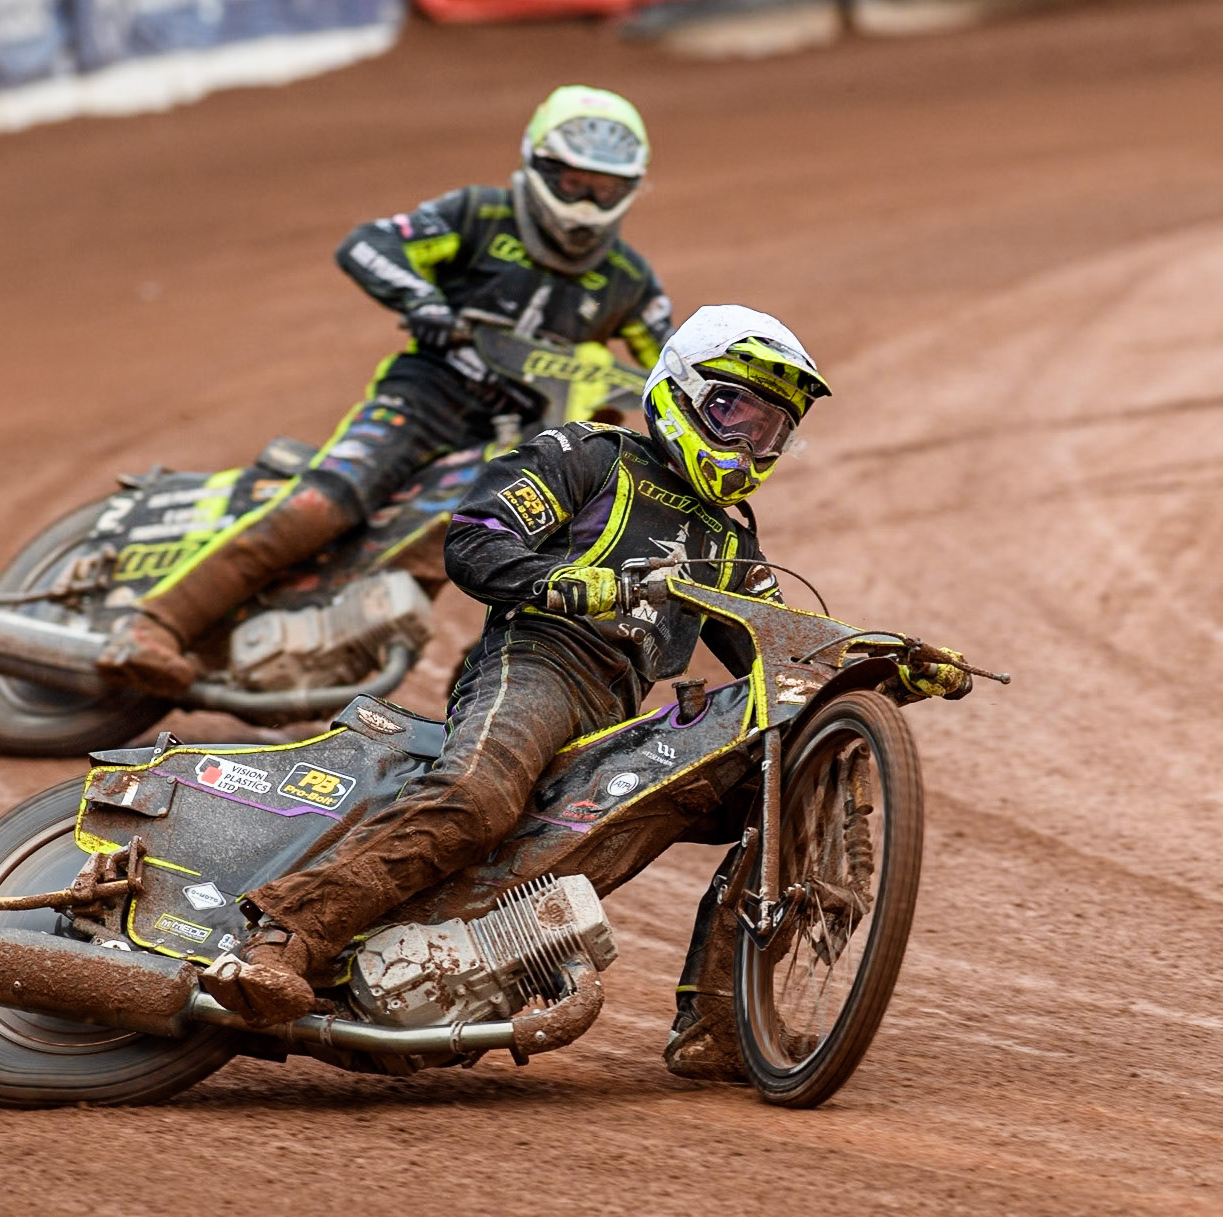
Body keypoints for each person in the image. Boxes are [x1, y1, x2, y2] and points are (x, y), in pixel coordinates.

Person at [201, 305, 946, 1086]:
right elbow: (474, 537)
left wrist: (893, 664)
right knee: (480, 797)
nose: (747, 445)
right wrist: (563, 581)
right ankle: (281, 936)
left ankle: (720, 1020)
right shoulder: (590, 455)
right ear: (682, 391)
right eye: (733, 413)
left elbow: (785, 651)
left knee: (787, 779)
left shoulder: (730, 539)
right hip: (537, 662)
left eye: (769, 431)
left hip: (618, 717)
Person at [96, 84, 675, 695]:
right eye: (574, 183)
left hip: (513, 438)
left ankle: (494, 686)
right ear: (538, 166)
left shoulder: (629, 279)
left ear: (630, 189)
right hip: (425, 397)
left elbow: (671, 363)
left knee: (532, 545)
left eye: (603, 189)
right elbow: (369, 243)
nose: (585, 204)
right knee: (323, 505)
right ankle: (152, 624)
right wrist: (423, 301)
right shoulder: (479, 214)